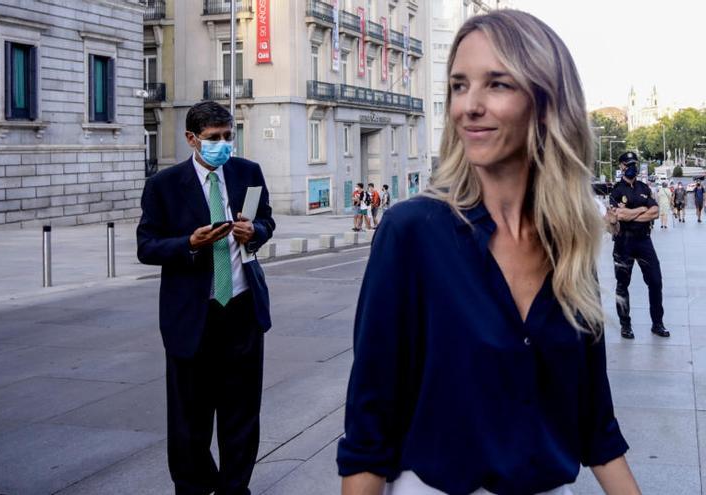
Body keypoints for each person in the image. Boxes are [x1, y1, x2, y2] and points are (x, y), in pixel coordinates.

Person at [338, 10, 639, 495]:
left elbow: (596, 424)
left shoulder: (568, 242)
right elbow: (369, 428)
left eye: (496, 84)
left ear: (545, 103)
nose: (468, 107)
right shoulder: (411, 231)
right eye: (459, 85)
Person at [136, 101, 275, 495]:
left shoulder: (248, 172)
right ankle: (195, 486)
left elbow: (266, 218)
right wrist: (188, 243)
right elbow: (146, 246)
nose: (223, 144)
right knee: (189, 418)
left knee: (242, 413)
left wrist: (257, 231)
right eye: (214, 138)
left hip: (243, 311)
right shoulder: (164, 185)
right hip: (193, 316)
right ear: (192, 139)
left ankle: (235, 487)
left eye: (228, 136)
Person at [607, 151, 670, 340]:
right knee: (622, 285)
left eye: (634, 163)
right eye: (628, 164)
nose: (632, 167)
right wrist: (642, 209)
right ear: (621, 167)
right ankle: (625, 325)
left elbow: (655, 212)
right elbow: (618, 215)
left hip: (644, 240)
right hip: (623, 241)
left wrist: (631, 213)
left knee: (656, 282)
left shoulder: (644, 187)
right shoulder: (616, 190)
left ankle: (657, 324)